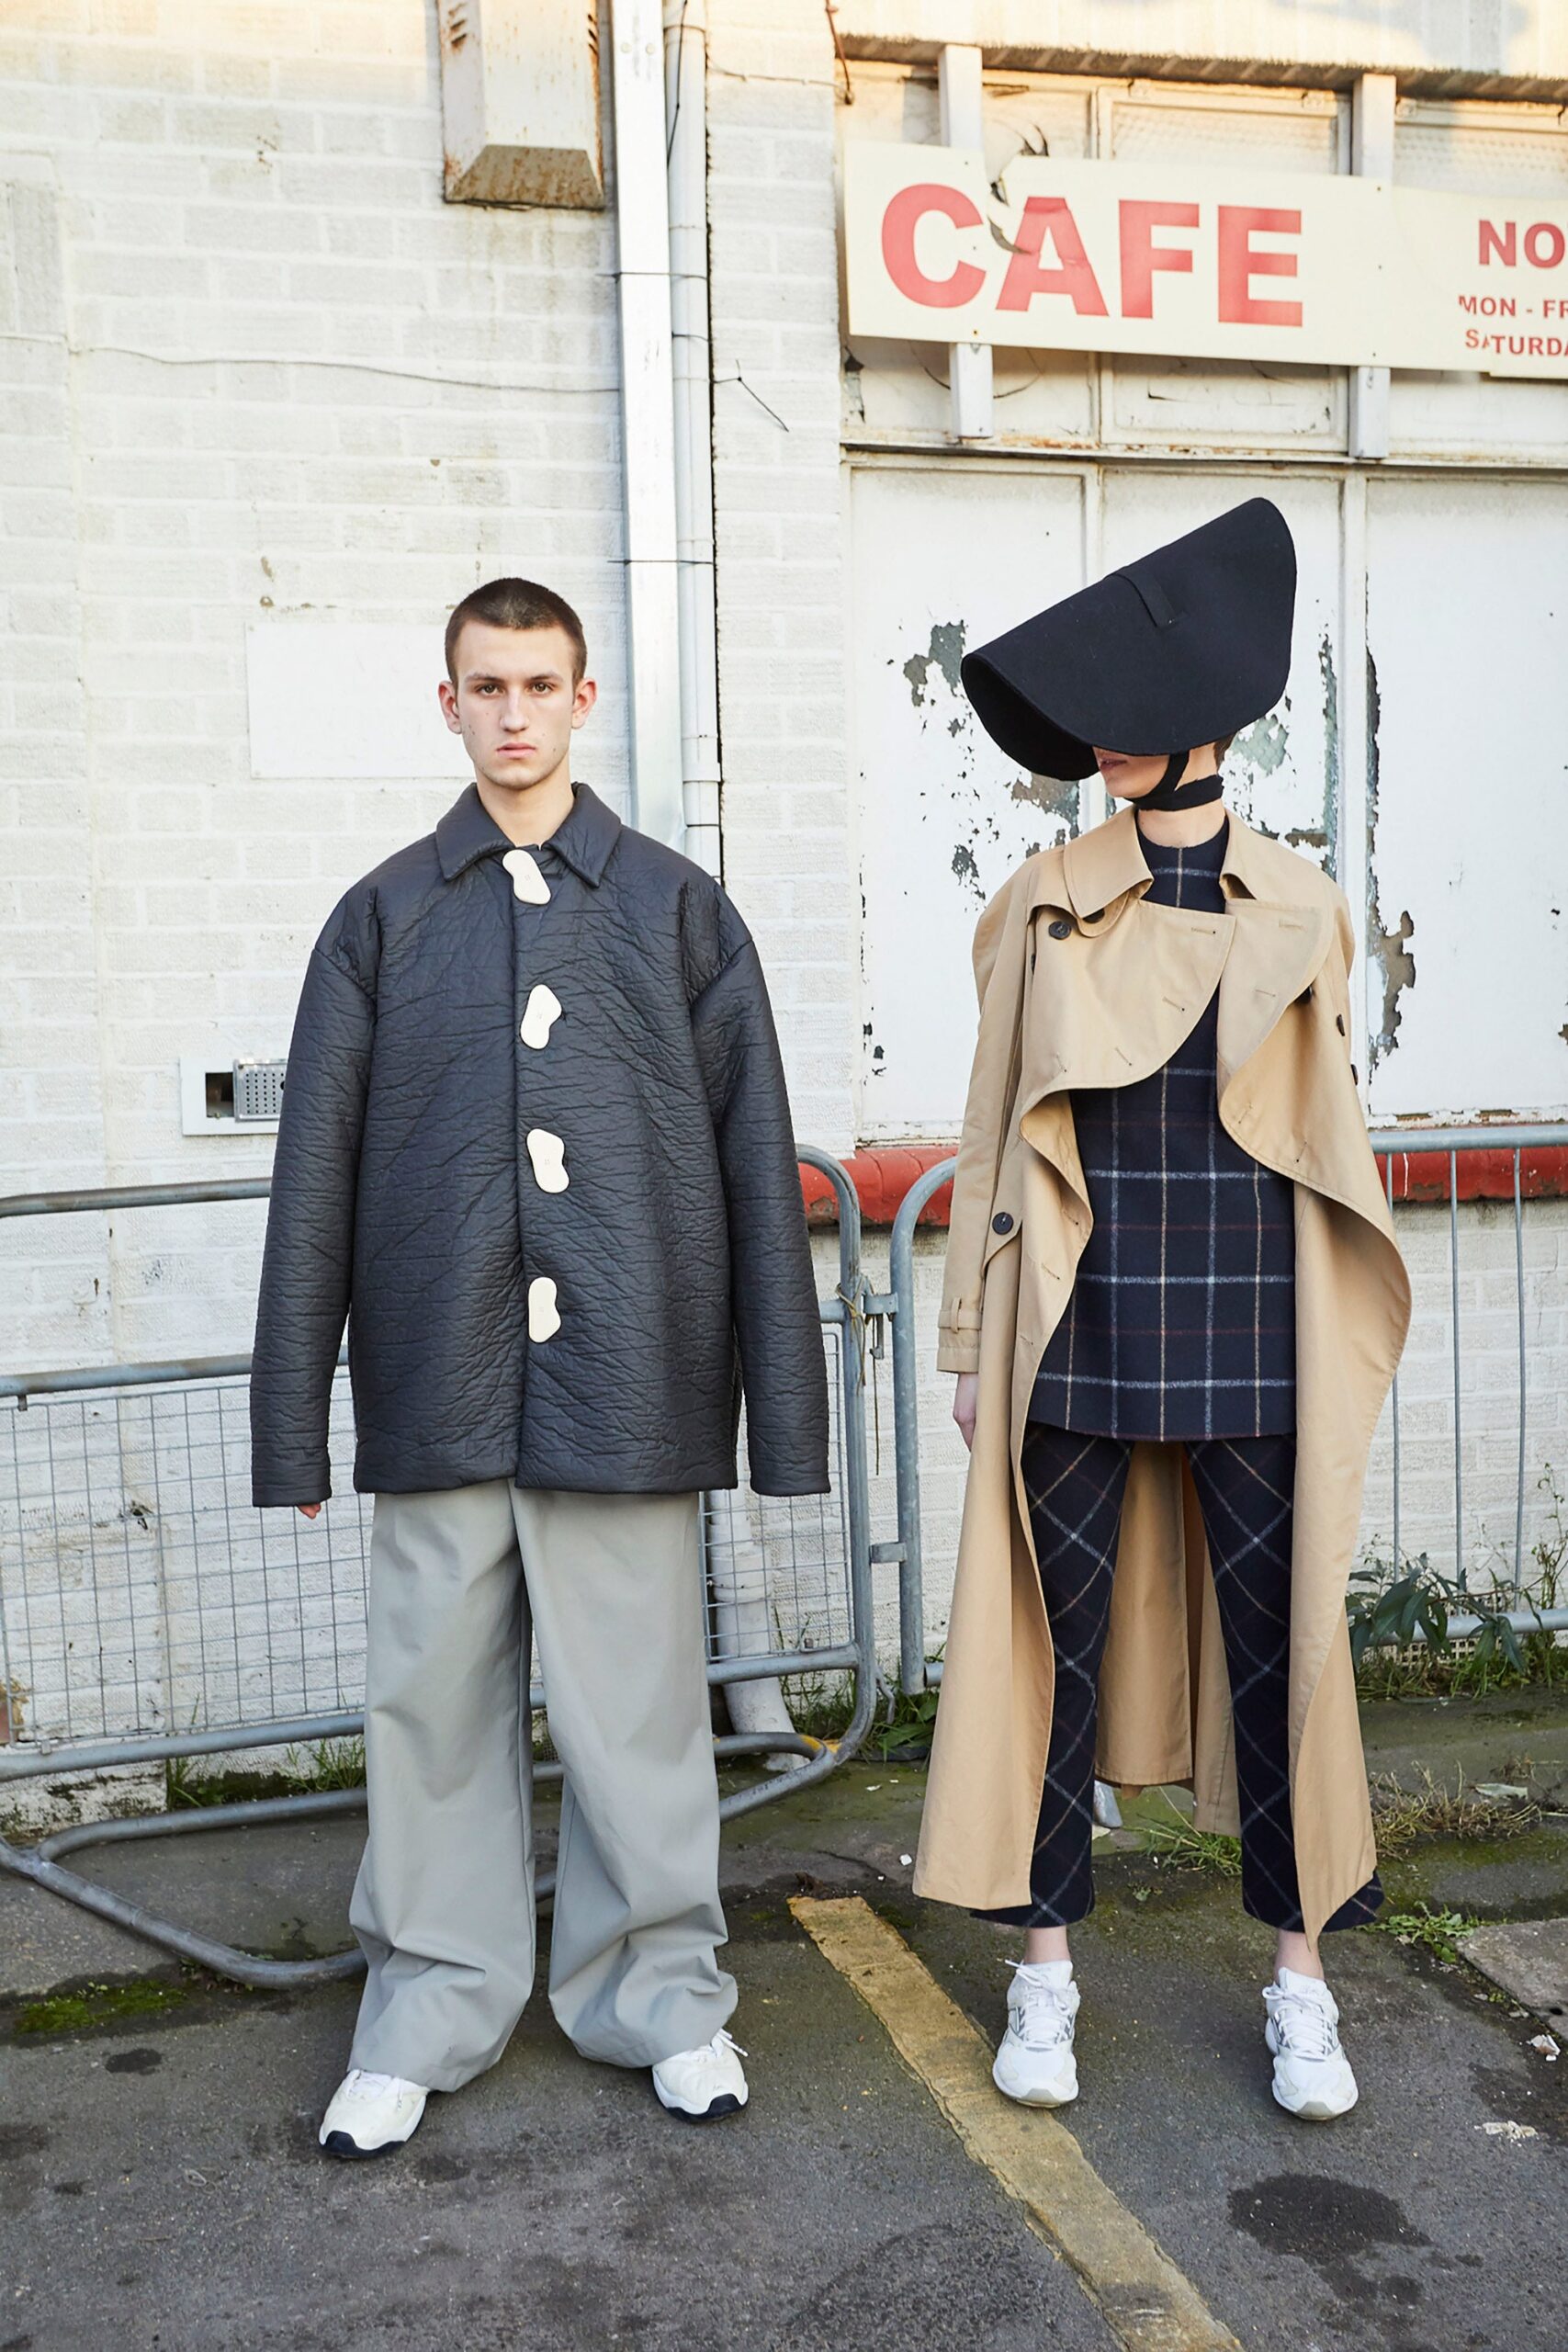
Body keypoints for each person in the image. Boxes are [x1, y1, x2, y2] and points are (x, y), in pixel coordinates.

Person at [250, 577, 829, 2155]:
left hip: (630, 1387)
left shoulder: (676, 911)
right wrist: (293, 1432)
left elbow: (751, 1159)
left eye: (538, 684)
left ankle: (663, 1998)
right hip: (438, 1385)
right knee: (429, 1710)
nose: (512, 713)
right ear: (449, 705)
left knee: (637, 1716)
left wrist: (783, 1419)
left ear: (585, 698)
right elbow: (314, 1181)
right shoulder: (380, 916)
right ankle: (429, 2002)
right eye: (483, 687)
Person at [912, 500, 1412, 2122]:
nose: (1098, 749)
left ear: (1199, 724)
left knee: (1286, 1661)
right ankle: (1044, 1977)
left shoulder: (1306, 908)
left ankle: (1301, 1985)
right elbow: (992, 1133)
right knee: (1048, 1660)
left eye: (1125, 721)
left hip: (1257, 1331)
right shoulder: (1042, 900)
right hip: (1079, 1326)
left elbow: (1328, 1138)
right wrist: (976, 1344)